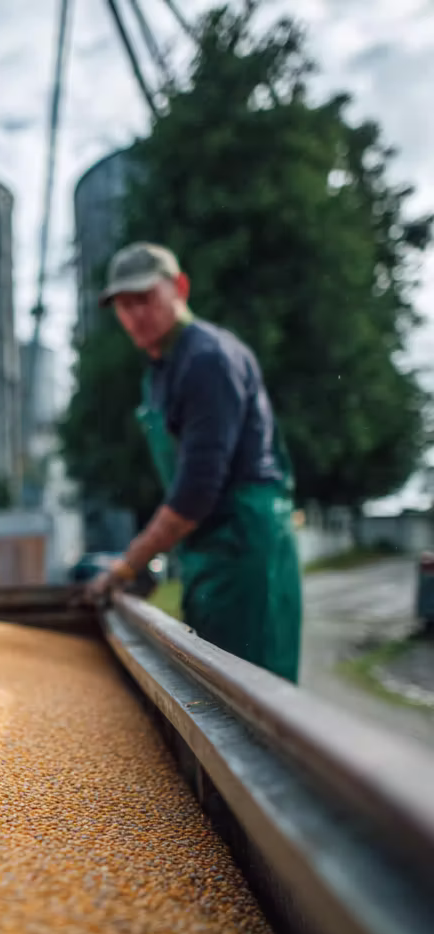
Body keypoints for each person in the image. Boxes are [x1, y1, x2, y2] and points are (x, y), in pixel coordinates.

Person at [84, 241, 302, 684]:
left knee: (252, 702)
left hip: (243, 548)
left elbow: (197, 490)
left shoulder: (207, 361)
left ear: (179, 287)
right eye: (123, 306)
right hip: (208, 551)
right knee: (217, 693)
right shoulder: (161, 369)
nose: (134, 315)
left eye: (144, 299)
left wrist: (129, 564)